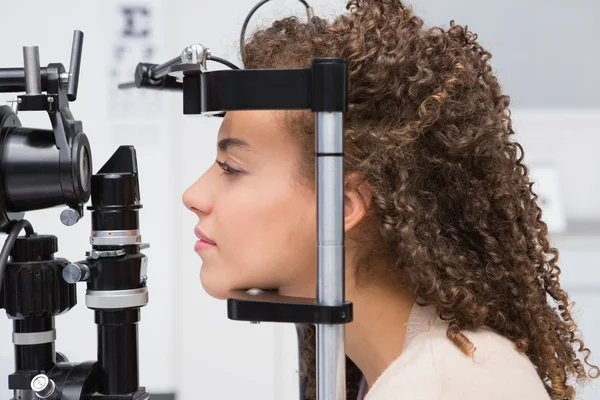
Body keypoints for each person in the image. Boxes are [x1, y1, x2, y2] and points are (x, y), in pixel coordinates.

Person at [182, 0, 599, 399]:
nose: (193, 196)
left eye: (232, 168)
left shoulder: (445, 387)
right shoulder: (387, 371)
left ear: (342, 206)